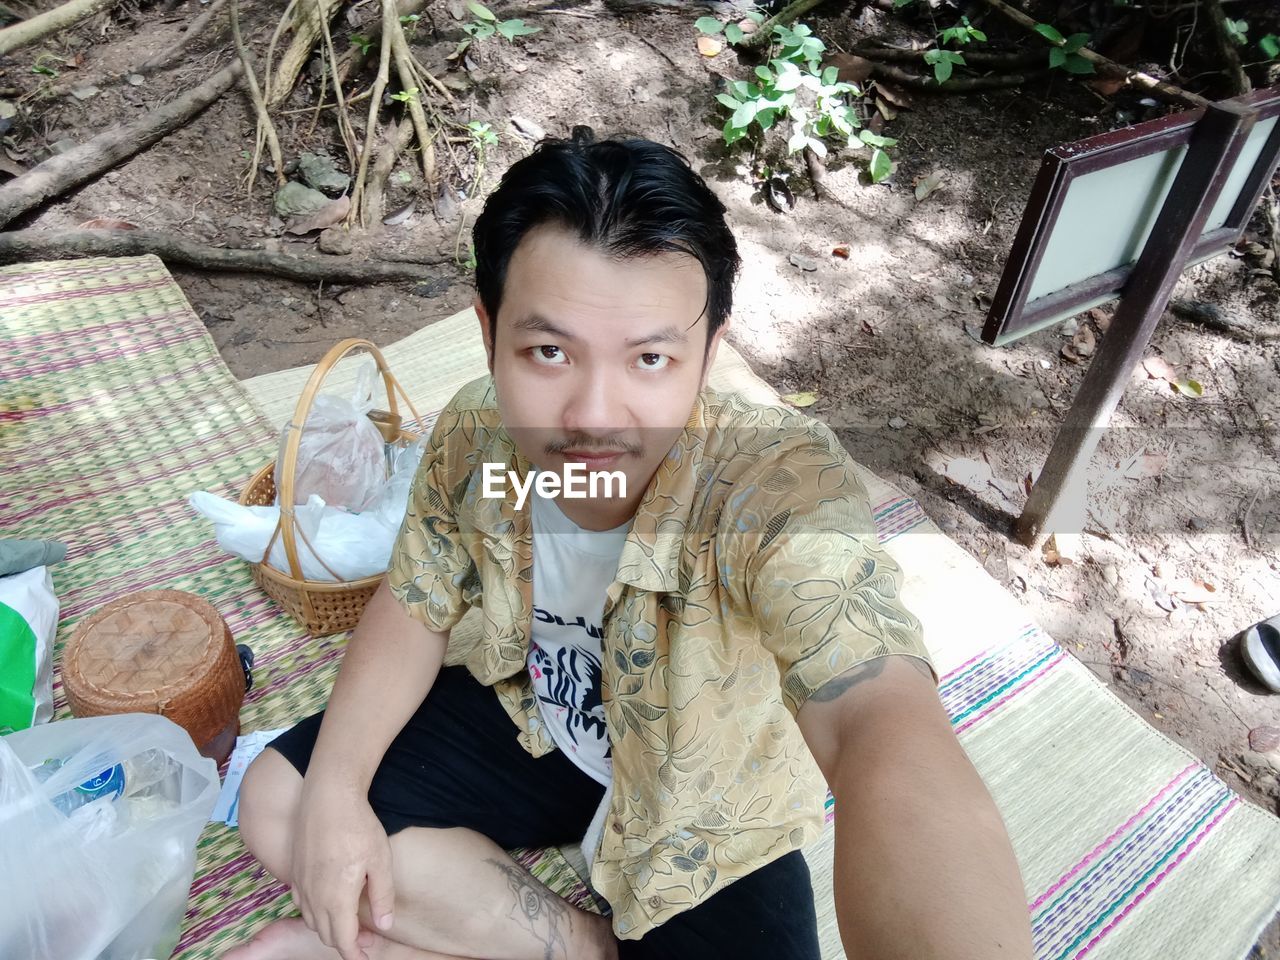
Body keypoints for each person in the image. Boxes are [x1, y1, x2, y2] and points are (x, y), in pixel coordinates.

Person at [225, 129, 1033, 960]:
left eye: (650, 358)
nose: (592, 418)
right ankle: (583, 945)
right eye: (548, 351)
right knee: (281, 801)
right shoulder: (480, 440)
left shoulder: (766, 488)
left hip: (704, 800)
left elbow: (876, 716)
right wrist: (335, 793)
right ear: (487, 331)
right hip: (538, 718)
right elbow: (418, 598)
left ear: (710, 355)